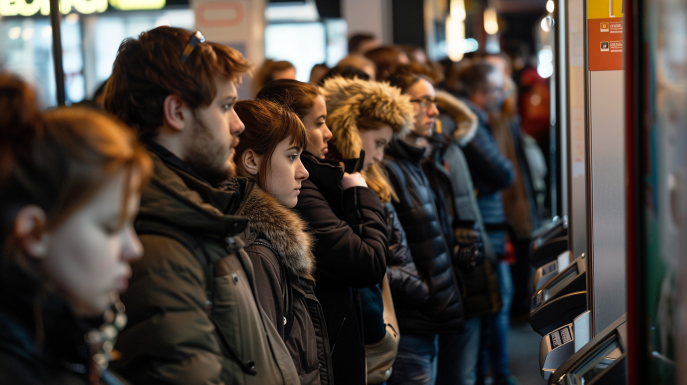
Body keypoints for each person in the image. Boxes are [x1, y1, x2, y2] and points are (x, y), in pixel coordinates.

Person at [103, 26, 300, 384]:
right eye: (225, 106)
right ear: (177, 111)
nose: (238, 124)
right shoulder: (161, 240)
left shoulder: (200, 210)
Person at [0, 73, 152, 384]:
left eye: (129, 224)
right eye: (111, 227)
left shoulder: (63, 349)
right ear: (35, 232)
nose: (134, 248)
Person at [257, 79, 389, 385]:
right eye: (319, 123)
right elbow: (364, 262)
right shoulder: (300, 190)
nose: (327, 133)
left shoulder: (312, 180)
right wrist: (360, 194)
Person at [320, 76, 416, 384]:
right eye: (377, 143)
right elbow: (365, 263)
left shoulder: (359, 181)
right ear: (349, 130)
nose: (378, 156)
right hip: (359, 334)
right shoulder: (338, 187)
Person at [233, 98, 335, 385]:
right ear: (251, 161)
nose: (303, 171)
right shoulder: (257, 251)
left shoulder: (268, 241)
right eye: (291, 157)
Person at [381, 70, 466, 385]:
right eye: (424, 102)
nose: (434, 111)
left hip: (426, 318)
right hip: (411, 322)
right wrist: (423, 292)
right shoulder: (388, 167)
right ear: (398, 105)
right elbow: (387, 253)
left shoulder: (416, 161)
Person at [456, 62, 517, 385]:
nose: (501, 95)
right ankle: (498, 375)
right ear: (479, 93)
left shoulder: (478, 121)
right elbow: (502, 172)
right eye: (496, 89)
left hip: (487, 223)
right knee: (495, 303)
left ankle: (491, 374)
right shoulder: (471, 124)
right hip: (483, 227)